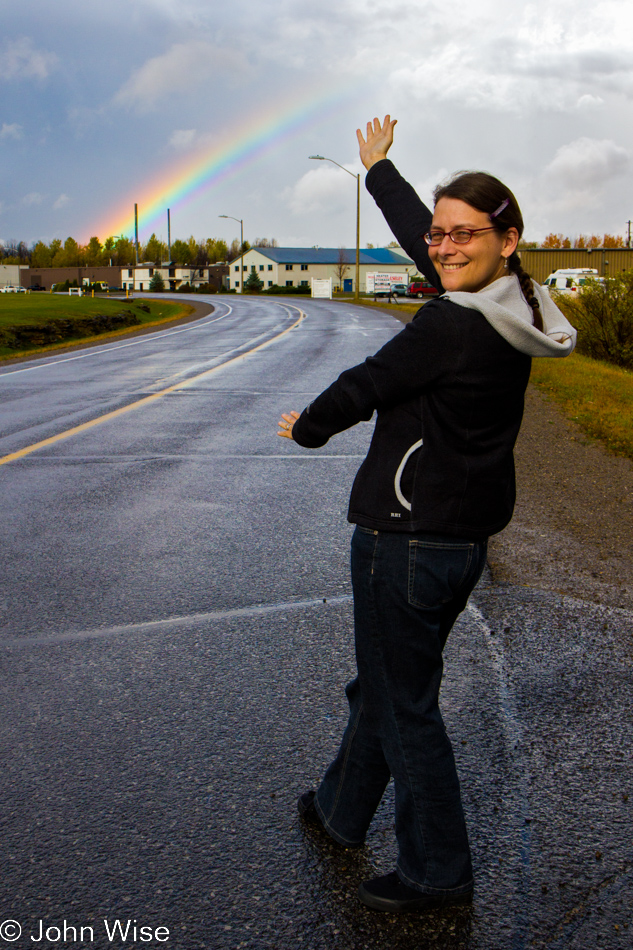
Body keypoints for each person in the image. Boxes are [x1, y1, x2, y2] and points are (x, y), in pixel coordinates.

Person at [277, 116, 576, 914]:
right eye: (439, 233)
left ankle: (436, 871)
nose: (441, 247)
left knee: (404, 704)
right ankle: (342, 811)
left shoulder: (449, 324)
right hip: (457, 539)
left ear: (507, 237)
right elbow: (428, 243)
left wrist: (306, 427)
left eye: (462, 235)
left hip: (403, 539)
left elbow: (367, 381)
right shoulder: (517, 304)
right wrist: (381, 174)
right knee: (383, 685)